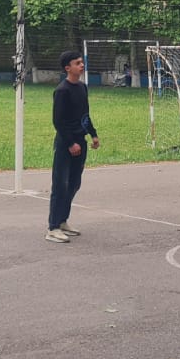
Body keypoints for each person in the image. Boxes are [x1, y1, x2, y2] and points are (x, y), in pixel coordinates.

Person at [47, 49, 99, 243]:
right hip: (66, 144)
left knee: (74, 183)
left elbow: (84, 115)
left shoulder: (82, 88)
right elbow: (58, 121)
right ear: (67, 68)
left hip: (81, 142)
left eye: (81, 62)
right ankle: (52, 227)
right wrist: (70, 143)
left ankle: (62, 221)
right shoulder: (62, 91)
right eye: (77, 63)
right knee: (61, 185)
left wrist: (93, 134)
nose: (81, 65)